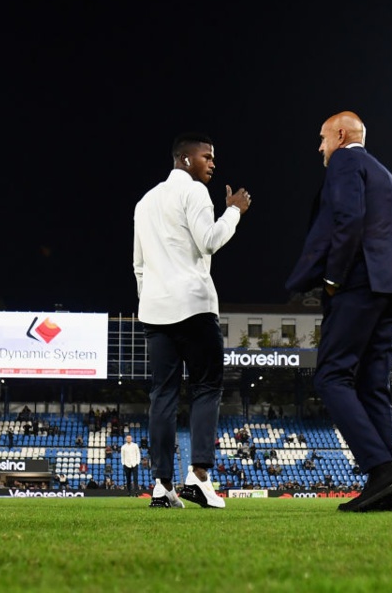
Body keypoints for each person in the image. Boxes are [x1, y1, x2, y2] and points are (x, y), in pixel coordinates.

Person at [286, 111, 392, 513]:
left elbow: (349, 219)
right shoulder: (384, 172)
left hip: (360, 282)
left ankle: (380, 469)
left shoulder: (345, 161)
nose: (319, 147)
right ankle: (386, 490)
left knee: (330, 376)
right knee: (373, 384)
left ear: (340, 135)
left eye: (322, 138)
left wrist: (333, 279)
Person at [134, 132, 252, 509]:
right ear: (185, 159)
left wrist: (153, 298)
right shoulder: (195, 192)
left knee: (162, 397)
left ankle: (161, 486)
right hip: (194, 308)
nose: (213, 163)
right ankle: (198, 477)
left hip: (155, 312)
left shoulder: (144, 203)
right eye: (207, 156)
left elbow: (138, 266)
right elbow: (210, 240)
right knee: (206, 388)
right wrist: (233, 210)